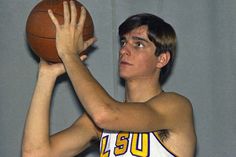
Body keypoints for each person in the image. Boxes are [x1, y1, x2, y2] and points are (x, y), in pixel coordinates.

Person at [22, 1, 196, 157]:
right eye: (123, 42)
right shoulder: (97, 121)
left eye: (138, 44)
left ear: (162, 59)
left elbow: (105, 114)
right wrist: (46, 76)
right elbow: (35, 154)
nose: (124, 50)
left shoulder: (176, 107)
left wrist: (69, 54)